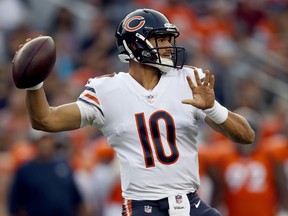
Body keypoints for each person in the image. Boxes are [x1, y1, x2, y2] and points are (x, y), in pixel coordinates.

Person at [17, 8, 255, 216]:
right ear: (134, 45)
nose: (168, 47)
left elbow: (246, 136)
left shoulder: (190, 80)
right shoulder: (107, 90)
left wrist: (212, 108)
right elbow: (45, 120)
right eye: (160, 39)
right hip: (143, 206)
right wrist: (34, 84)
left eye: (168, 39)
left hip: (189, 203)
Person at [7, 130, 86, 216]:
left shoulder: (64, 165)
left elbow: (76, 198)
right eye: (42, 140)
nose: (45, 144)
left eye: (48, 140)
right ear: (35, 143)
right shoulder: (25, 170)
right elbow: (15, 204)